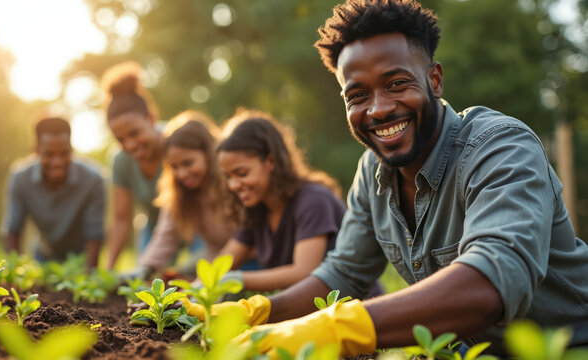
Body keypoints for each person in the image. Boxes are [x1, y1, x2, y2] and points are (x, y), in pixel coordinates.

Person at [185, 0, 588, 357]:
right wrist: (256, 311)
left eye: (397, 84)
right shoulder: (371, 171)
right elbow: (343, 274)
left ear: (434, 79)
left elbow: (492, 281)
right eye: (357, 95)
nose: (377, 110)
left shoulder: (499, 147)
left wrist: (339, 326)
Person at [211, 110, 346, 292]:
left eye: (242, 173)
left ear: (271, 161)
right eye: (228, 176)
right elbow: (222, 265)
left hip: (352, 309)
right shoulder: (256, 210)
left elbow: (304, 272)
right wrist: (186, 294)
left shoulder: (313, 200)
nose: (233, 185)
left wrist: (236, 279)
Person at [123, 110, 236, 280]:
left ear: (209, 155)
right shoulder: (180, 192)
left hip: (248, 261)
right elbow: (165, 236)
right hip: (215, 258)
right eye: (174, 167)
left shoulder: (232, 184)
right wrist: (145, 268)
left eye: (188, 163)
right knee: (176, 274)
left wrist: (204, 280)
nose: (182, 173)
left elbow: (244, 242)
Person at [1, 116, 105, 268]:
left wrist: (89, 274)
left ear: (72, 149)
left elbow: (94, 231)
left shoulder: (93, 180)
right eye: (49, 154)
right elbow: (13, 228)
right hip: (43, 257)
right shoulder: (20, 178)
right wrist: (15, 272)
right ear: (36, 151)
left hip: (79, 262)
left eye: (64, 153)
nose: (57, 162)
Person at [101, 61, 164, 269]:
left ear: (151, 119)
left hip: (193, 225)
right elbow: (121, 220)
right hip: (153, 228)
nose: (129, 145)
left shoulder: (177, 143)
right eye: (120, 140)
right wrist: (109, 268)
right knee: (145, 277)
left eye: (135, 133)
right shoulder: (120, 161)